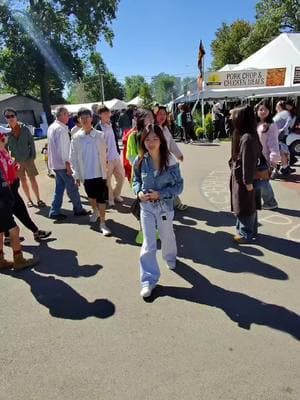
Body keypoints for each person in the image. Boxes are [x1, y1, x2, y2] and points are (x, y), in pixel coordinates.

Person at [132, 124, 183, 298]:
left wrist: (160, 194)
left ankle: (170, 257)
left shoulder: (170, 161)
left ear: (161, 140)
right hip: (146, 208)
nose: (151, 142)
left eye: (155, 138)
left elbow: (179, 186)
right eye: (147, 139)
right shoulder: (139, 161)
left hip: (165, 207)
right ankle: (148, 280)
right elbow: (136, 181)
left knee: (167, 235)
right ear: (142, 141)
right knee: (148, 242)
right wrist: (138, 192)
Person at [0, 127, 51, 244]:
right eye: (5, 136)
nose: (7, 138)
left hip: (11, 188)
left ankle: (10, 236)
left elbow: (8, 168)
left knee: (14, 211)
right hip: (6, 190)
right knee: (16, 211)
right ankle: (31, 233)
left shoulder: (4, 151)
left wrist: (13, 167)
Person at [70, 108, 111, 236]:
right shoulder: (76, 138)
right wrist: (76, 175)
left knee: (102, 199)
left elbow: (106, 153)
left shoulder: (100, 135)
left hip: (100, 173)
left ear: (91, 118)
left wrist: (107, 170)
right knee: (91, 197)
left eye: (87, 117)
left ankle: (103, 223)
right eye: (82, 118)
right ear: (79, 121)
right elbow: (73, 157)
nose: (85, 120)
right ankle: (95, 211)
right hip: (86, 174)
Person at [47, 106, 89, 220]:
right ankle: (78, 209)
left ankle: (54, 211)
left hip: (56, 164)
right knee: (72, 187)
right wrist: (68, 165)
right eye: (66, 114)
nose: (68, 116)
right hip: (62, 164)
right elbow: (63, 149)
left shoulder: (52, 127)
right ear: (61, 115)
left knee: (59, 188)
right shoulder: (61, 129)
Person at [229, 105, 262, 244]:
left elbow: (247, 163)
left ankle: (245, 234)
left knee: (244, 206)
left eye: (233, 115)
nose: (230, 118)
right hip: (244, 179)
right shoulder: (247, 135)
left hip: (245, 180)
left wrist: (247, 182)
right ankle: (249, 231)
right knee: (248, 205)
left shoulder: (247, 138)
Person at [0, 162, 39, 270]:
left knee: (1, 230)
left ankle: (1, 260)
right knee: (14, 229)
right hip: (2, 200)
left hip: (3, 198)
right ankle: (19, 260)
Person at [4, 108, 46, 208]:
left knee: (33, 180)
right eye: (8, 116)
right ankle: (29, 200)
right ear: (6, 118)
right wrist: (9, 161)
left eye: (12, 116)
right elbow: (4, 149)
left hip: (28, 159)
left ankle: (39, 199)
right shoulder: (6, 132)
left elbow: (31, 143)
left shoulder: (24, 128)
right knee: (23, 181)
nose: (10, 118)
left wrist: (32, 156)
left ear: (16, 116)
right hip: (16, 161)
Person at [155, 106, 188, 211]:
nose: (162, 116)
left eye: (164, 114)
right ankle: (172, 205)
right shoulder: (153, 129)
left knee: (171, 182)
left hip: (168, 161)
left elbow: (171, 143)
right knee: (168, 183)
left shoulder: (164, 128)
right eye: (160, 114)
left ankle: (175, 203)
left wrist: (179, 154)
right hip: (158, 162)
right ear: (155, 115)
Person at [254, 99, 281, 210]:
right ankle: (258, 202)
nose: (263, 111)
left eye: (265, 109)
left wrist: (273, 160)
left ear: (270, 111)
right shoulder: (256, 123)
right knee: (256, 181)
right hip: (255, 158)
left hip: (265, 159)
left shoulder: (271, 125)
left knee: (263, 182)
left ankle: (270, 201)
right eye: (260, 109)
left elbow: (273, 143)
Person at [97, 106, 125, 207]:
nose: (107, 115)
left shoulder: (112, 124)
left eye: (108, 113)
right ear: (100, 115)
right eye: (104, 113)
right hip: (106, 159)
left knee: (121, 177)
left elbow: (115, 139)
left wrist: (117, 151)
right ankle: (110, 199)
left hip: (116, 156)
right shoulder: (98, 128)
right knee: (108, 181)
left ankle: (116, 194)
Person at [273, 100, 296, 176]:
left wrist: (281, 130)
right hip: (277, 135)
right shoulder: (280, 114)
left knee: (281, 151)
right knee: (281, 151)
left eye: (277, 105)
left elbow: (288, 122)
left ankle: (282, 168)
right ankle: (284, 167)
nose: (276, 107)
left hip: (279, 135)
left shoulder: (285, 113)